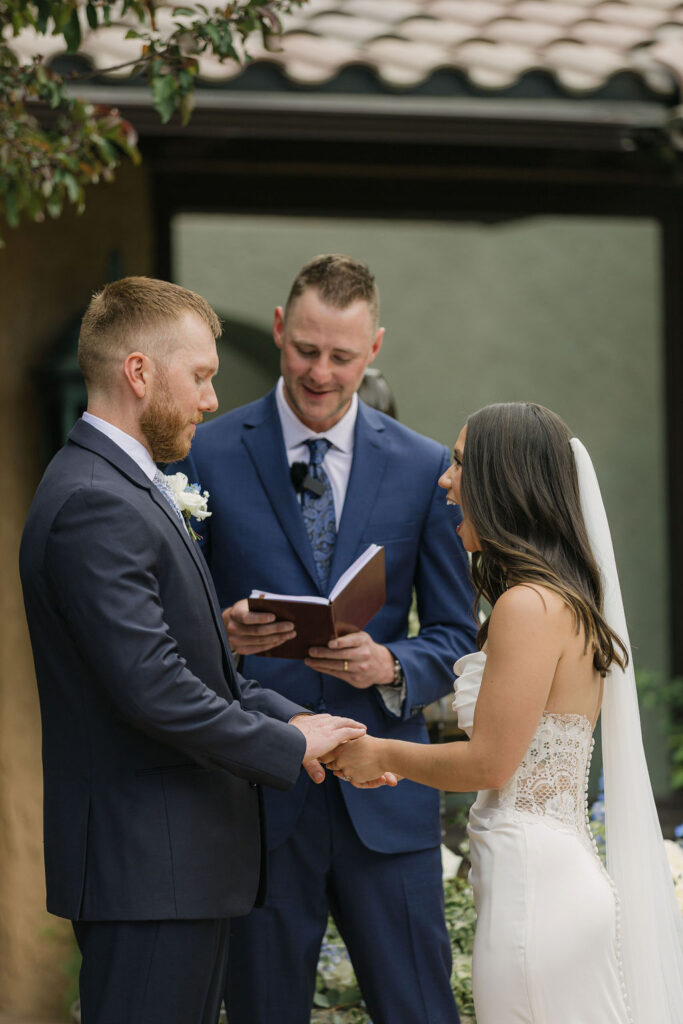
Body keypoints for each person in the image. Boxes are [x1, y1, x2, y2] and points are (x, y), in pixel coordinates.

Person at [18, 276, 367, 1024]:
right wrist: (281, 741)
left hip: (175, 871)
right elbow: (155, 690)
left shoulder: (127, 487)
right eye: (202, 376)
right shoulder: (94, 502)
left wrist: (306, 725)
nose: (212, 400)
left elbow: (196, 668)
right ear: (140, 373)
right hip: (148, 871)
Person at [176, 254, 476, 1024]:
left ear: (373, 348)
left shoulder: (421, 467)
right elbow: (169, 626)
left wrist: (390, 662)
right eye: (305, 349)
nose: (319, 372)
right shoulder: (203, 454)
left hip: (386, 803)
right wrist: (223, 634)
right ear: (280, 329)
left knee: (419, 1010)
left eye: (341, 356)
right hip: (259, 798)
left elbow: (452, 635)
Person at [330, 402, 683, 1024]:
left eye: (461, 462)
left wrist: (380, 753)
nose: (446, 478)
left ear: (503, 480)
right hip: (549, 873)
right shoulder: (559, 599)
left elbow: (492, 761)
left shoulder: (528, 606)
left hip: (537, 889)